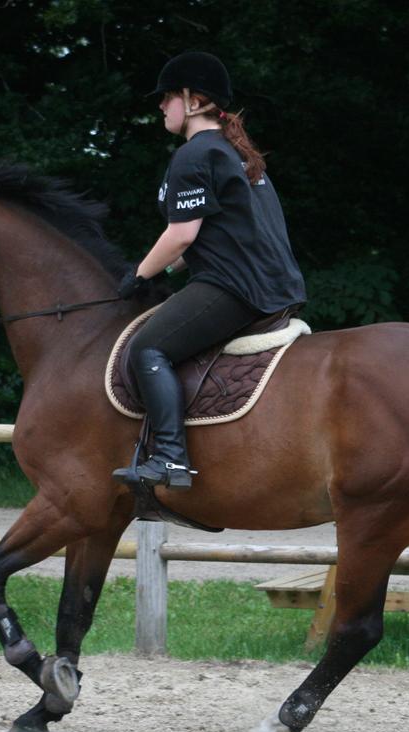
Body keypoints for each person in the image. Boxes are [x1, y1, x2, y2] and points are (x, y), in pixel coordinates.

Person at [112, 51, 307, 491]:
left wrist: (138, 275)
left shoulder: (194, 154)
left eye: (167, 97)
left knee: (147, 350)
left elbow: (181, 235)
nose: (161, 106)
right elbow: (210, 237)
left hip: (235, 287)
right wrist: (168, 269)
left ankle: (170, 460)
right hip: (271, 284)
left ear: (194, 100)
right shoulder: (233, 153)